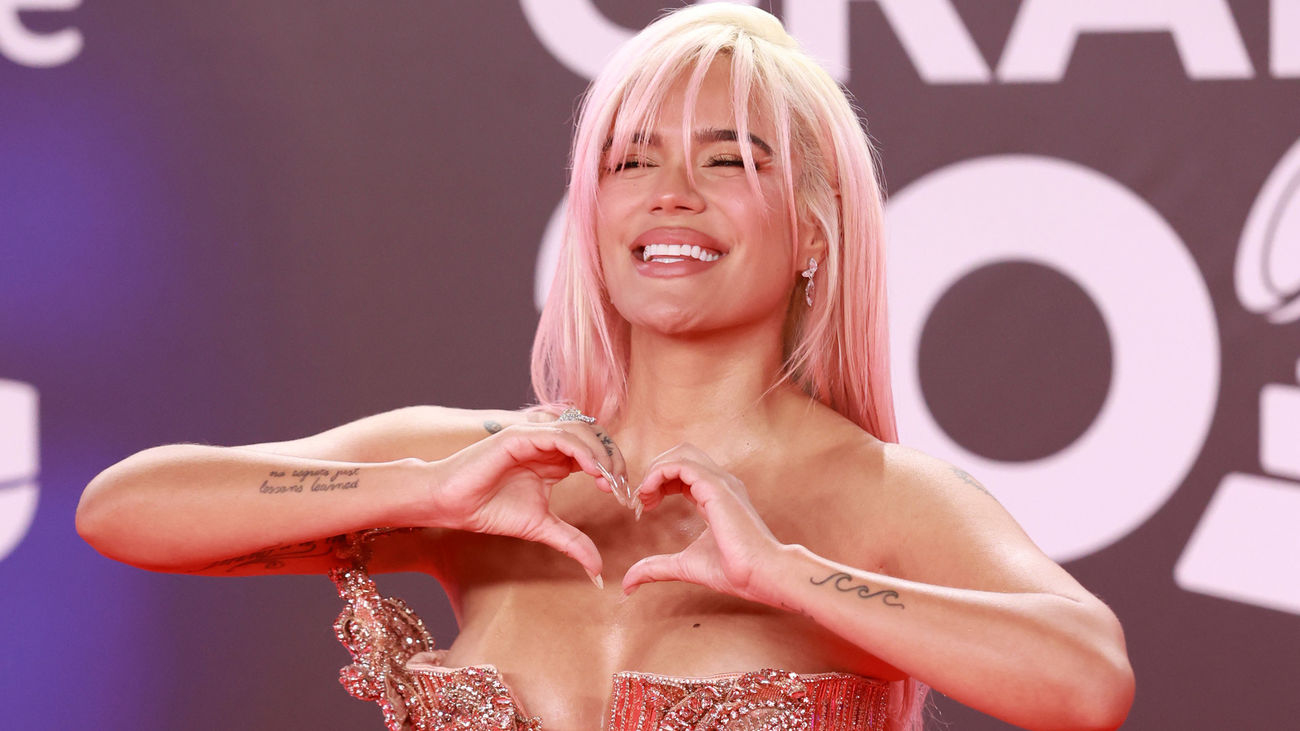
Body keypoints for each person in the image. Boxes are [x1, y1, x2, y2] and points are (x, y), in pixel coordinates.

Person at [76, 5, 1134, 730]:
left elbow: (1086, 679)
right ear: (593, 217)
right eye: (632, 161)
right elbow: (123, 507)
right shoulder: (492, 470)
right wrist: (422, 488)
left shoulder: (874, 496)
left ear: (814, 232)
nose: (670, 192)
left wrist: (788, 574)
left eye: (728, 158)